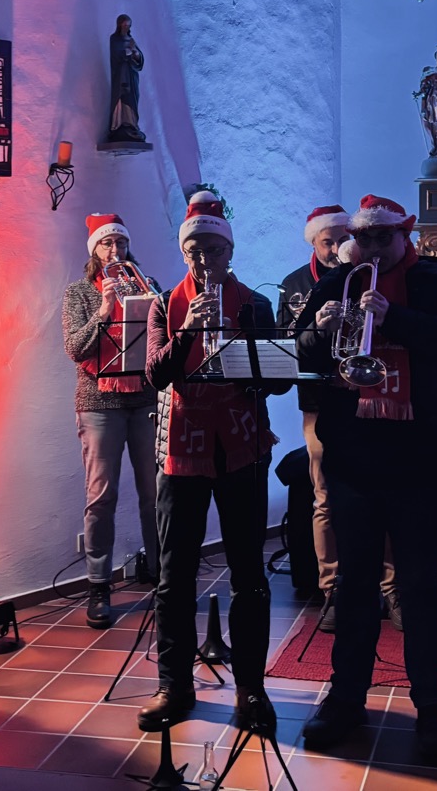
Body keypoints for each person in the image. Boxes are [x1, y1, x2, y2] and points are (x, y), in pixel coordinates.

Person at [295, 195, 437, 764]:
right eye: (364, 239)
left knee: (420, 588)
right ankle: (346, 698)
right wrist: (320, 331)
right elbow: (301, 352)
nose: (372, 248)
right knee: (354, 585)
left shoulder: (436, 279)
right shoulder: (337, 282)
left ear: (404, 236)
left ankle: (430, 708)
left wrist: (392, 317)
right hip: (353, 458)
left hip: (417, 459)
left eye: (383, 238)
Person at [142, 190, 288, 733]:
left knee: (248, 572)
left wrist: (251, 365)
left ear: (230, 252)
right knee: (174, 574)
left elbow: (276, 382)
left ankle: (251, 689)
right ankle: (174, 685)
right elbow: (156, 374)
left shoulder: (255, 305)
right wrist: (188, 330)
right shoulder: (164, 304)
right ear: (185, 254)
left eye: (214, 251)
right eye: (194, 252)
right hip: (181, 448)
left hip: (241, 447)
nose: (204, 261)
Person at [277, 205, 399, 631]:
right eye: (326, 242)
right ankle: (332, 589)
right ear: (313, 243)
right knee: (325, 496)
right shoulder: (294, 284)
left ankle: (391, 588)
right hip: (320, 402)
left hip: (377, 398)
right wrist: (318, 329)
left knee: (386, 495)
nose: (335, 248)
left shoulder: (372, 274)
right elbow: (288, 348)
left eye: (341, 239)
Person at [61, 213, 161, 629]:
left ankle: (161, 573)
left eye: (121, 242)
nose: (116, 250)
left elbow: (163, 340)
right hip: (99, 402)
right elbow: (74, 348)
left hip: (145, 398)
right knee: (101, 496)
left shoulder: (147, 284)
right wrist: (104, 310)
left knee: (155, 492)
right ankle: (99, 584)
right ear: (95, 251)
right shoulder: (79, 292)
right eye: (107, 244)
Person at [108, 14, 147, 143]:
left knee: (132, 99)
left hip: (131, 77)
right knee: (121, 98)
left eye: (129, 25)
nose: (127, 27)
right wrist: (127, 53)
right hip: (120, 77)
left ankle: (131, 125)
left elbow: (139, 60)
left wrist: (135, 53)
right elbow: (116, 57)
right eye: (124, 25)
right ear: (119, 25)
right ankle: (118, 125)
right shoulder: (114, 40)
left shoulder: (131, 40)